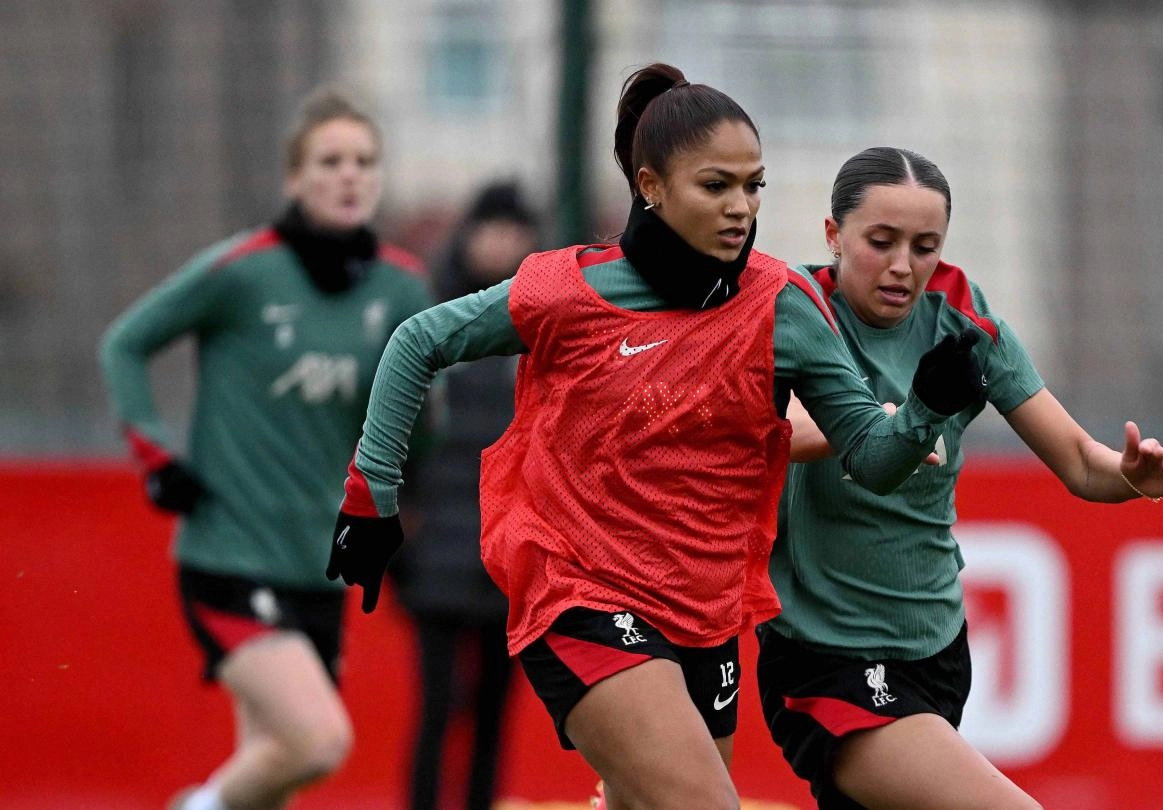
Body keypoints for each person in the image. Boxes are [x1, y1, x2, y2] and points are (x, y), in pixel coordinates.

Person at [324, 64, 987, 810]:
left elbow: (870, 455)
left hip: (705, 616)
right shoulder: (568, 291)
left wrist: (928, 406)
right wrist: (370, 498)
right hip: (579, 590)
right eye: (717, 187)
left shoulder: (784, 305)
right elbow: (417, 341)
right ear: (651, 186)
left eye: (754, 186)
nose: (741, 209)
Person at [756, 146, 1163, 810]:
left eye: (925, 245)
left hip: (936, 652)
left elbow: (1080, 463)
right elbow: (782, 434)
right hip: (828, 660)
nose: (904, 265)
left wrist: (1131, 474)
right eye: (882, 241)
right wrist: (878, 423)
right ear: (832, 235)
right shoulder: (795, 312)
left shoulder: (964, 323)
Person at [97, 89, 433, 810]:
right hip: (228, 556)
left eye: (364, 162)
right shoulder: (243, 271)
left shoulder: (402, 288)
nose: (351, 175)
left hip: (319, 564)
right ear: (294, 178)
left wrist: (408, 500)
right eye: (331, 161)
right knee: (318, 742)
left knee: (274, 766)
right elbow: (125, 344)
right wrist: (155, 453)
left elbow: (414, 422)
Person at [390, 182, 539, 810]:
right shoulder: (428, 322)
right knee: (436, 706)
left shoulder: (543, 325)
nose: (501, 242)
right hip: (435, 560)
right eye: (491, 227)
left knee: (492, 720)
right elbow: (392, 442)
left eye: (515, 229)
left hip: (511, 565)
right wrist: (401, 541)